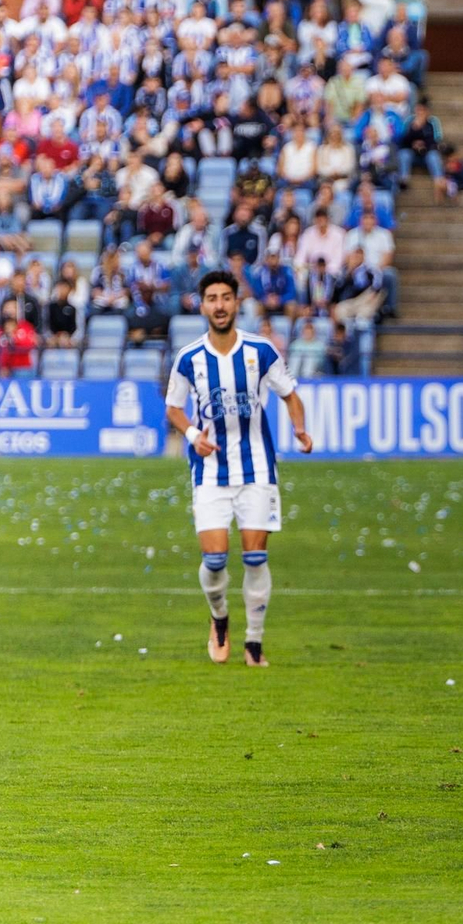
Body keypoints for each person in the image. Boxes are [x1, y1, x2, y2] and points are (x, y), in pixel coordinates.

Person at [164, 271, 314, 669]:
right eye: (212, 298)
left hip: (257, 468)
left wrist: (299, 429)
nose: (219, 305)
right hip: (210, 470)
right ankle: (219, 619)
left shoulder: (260, 351)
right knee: (214, 562)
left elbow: (289, 394)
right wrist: (194, 434)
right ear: (202, 306)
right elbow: (173, 409)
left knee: (255, 557)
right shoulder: (189, 358)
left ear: (236, 303)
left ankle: (254, 642)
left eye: (226, 297)